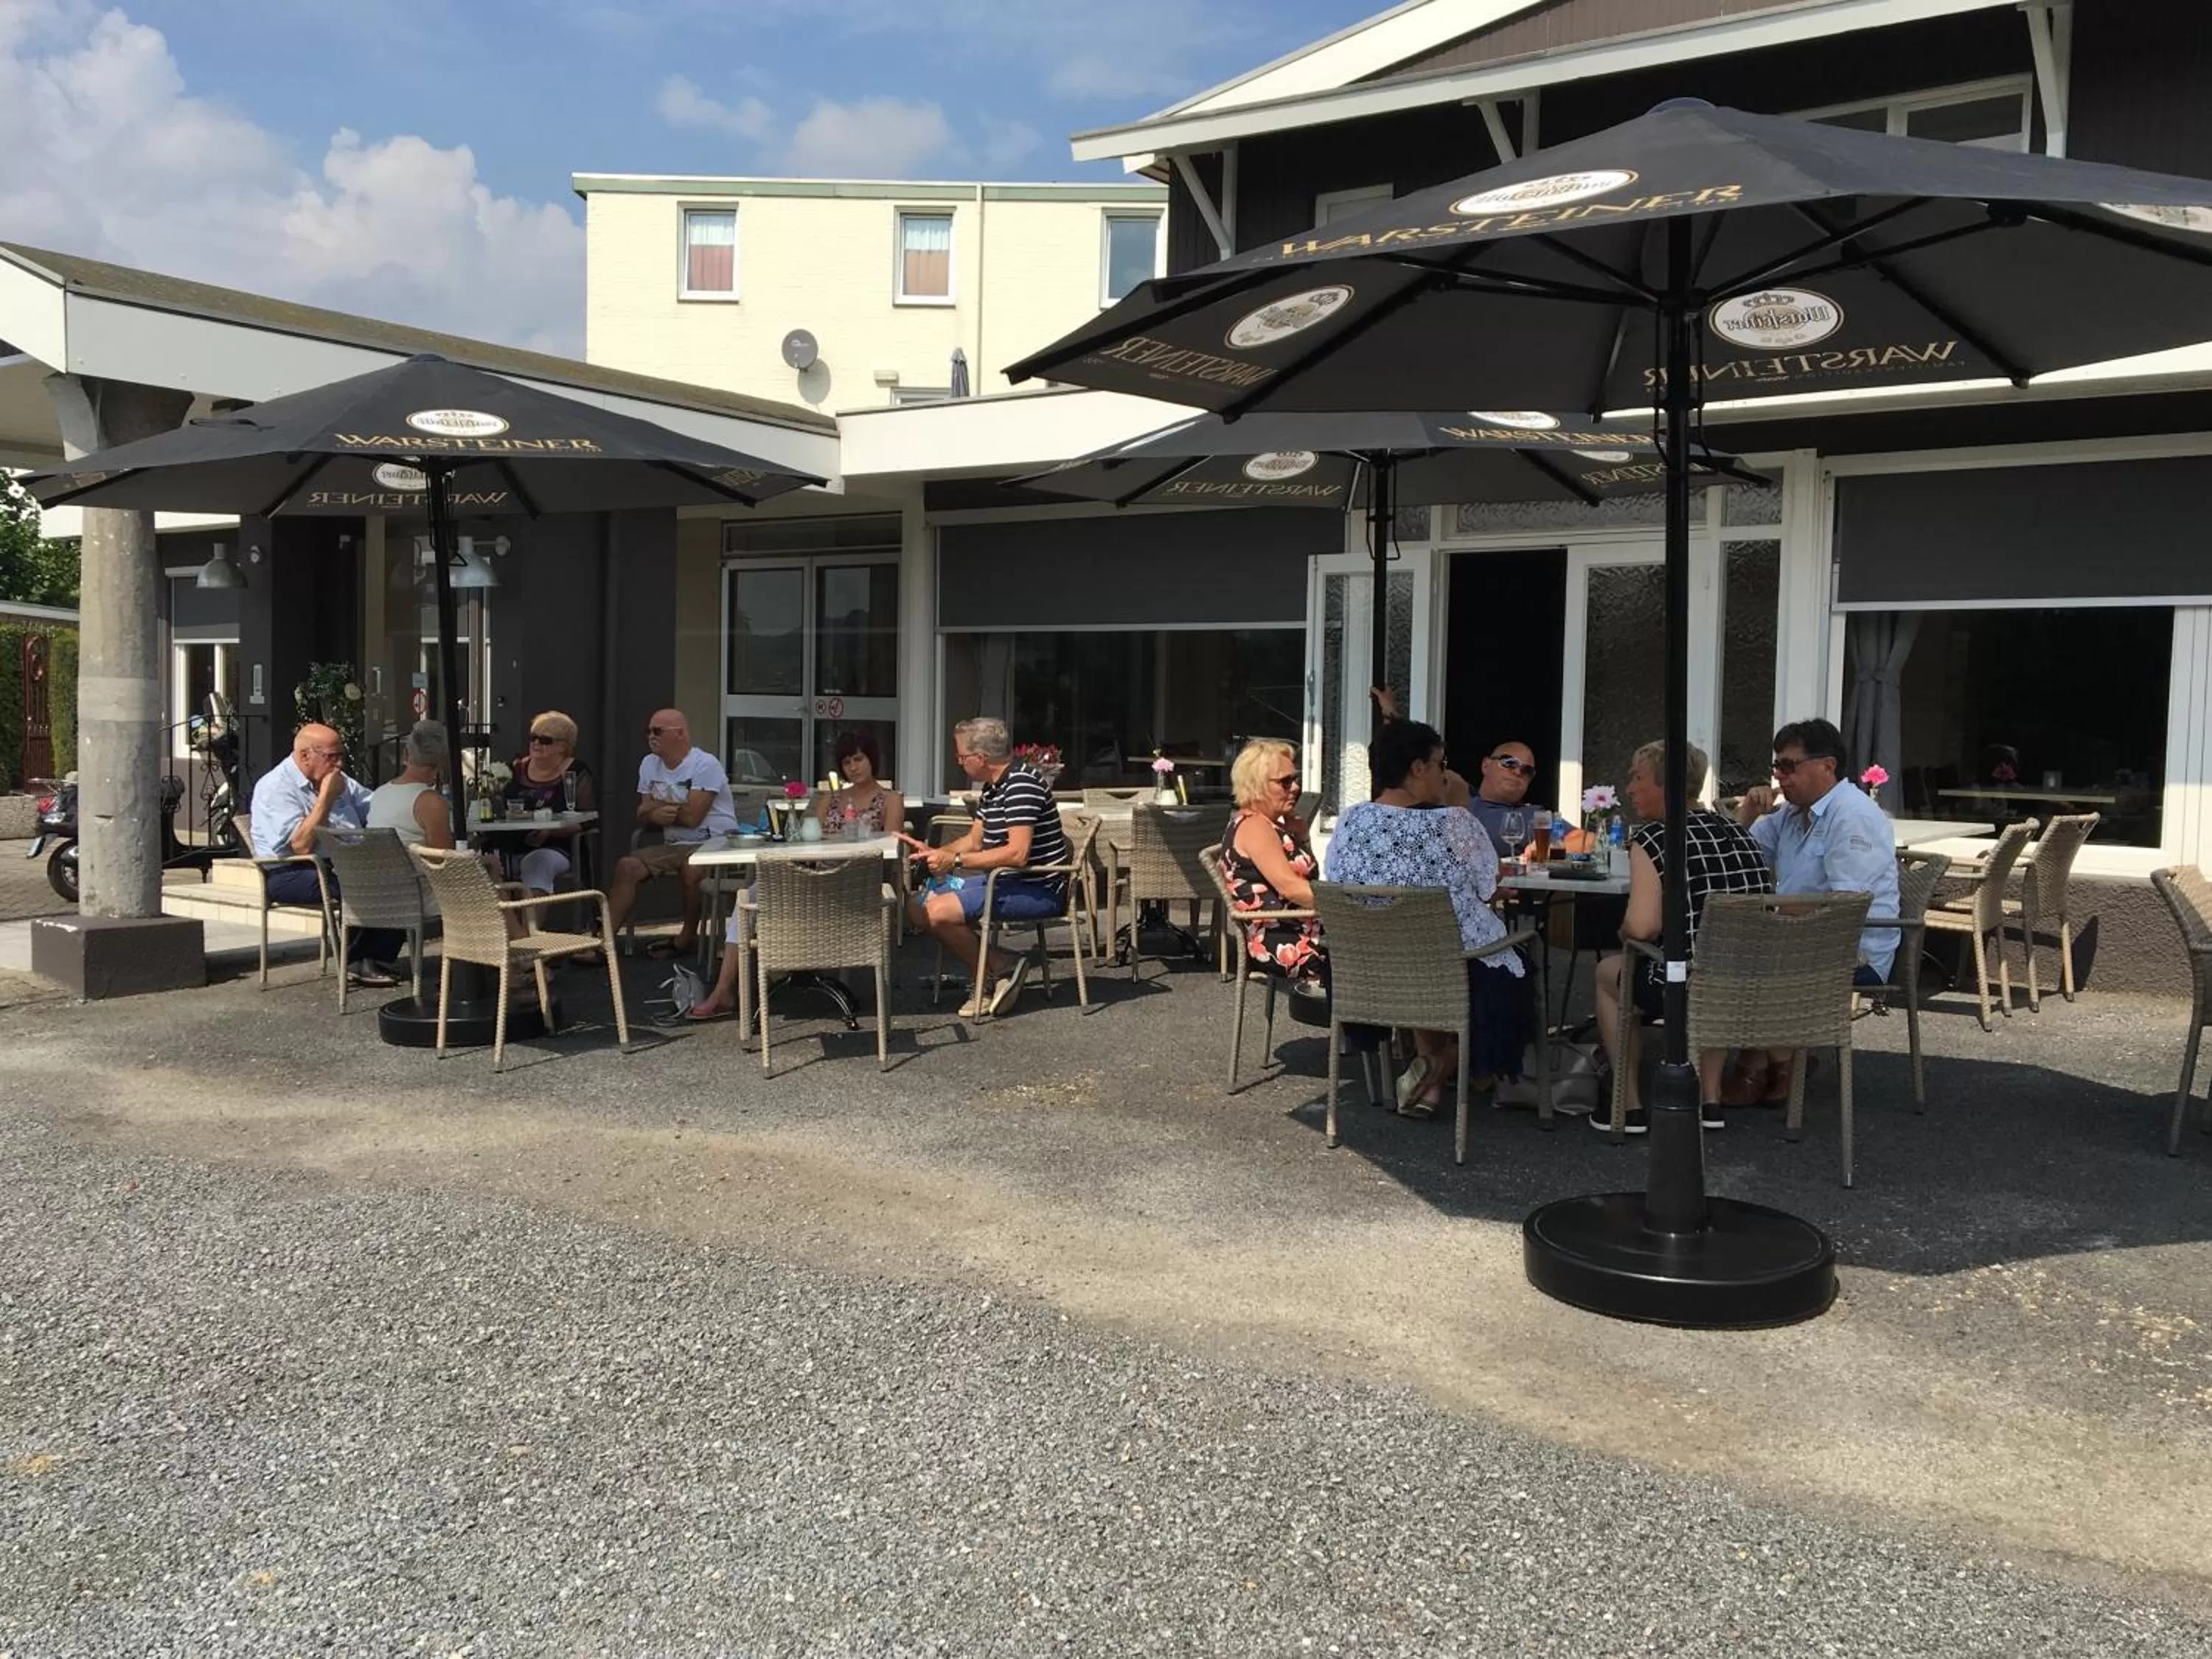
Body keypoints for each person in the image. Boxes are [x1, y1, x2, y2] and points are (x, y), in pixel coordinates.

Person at [1324, 719, 1529, 1117]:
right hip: (1447, 973)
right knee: (1503, 957)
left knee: (1422, 939)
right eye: (1440, 764)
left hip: (1366, 974)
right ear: (1418, 769)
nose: (1445, 773)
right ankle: (1440, 1066)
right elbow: (1489, 886)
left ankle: (1429, 1089)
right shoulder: (1454, 822)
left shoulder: (1349, 821)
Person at [1593, 738, 1773, 1135]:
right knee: (1714, 963)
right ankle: (1710, 1099)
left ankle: (1629, 1104)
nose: (1629, 788)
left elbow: (1642, 928)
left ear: (1666, 785)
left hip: (1687, 987)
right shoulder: (1741, 834)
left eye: (1637, 778)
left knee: (1609, 973)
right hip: (1747, 985)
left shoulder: (1656, 838)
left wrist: (1624, 932)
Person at [1733, 716, 1902, 1102]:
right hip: (1801, 938)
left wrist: (1770, 914)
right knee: (1729, 948)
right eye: (1776, 767)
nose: (1780, 778)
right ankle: (1779, 1060)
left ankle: (1765, 1064)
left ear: (1827, 765)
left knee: (1747, 954)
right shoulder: (1793, 812)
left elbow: (1847, 907)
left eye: (1789, 766)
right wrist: (1748, 815)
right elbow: (1740, 859)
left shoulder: (1852, 815)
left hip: (1856, 949)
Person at [908, 717, 1071, 1019]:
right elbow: (973, 839)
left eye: (961, 756)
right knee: (917, 905)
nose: (958, 762)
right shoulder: (993, 787)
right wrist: (938, 852)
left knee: (937, 912)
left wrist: (954, 862)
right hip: (1001, 881)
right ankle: (995, 967)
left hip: (1036, 888)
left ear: (980, 758)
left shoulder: (1022, 784)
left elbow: (1018, 853)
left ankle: (995, 972)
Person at [248, 722, 401, 985]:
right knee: (363, 883)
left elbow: (374, 806)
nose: (339, 764)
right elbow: (300, 845)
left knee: (400, 877)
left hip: (343, 862)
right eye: (332, 757)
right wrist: (326, 798)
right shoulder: (275, 788)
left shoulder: (340, 780)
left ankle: (371, 957)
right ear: (305, 755)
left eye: (342, 755)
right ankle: (356, 959)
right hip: (292, 870)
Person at [603, 708, 739, 957]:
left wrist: (656, 808)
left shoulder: (705, 764)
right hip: (675, 843)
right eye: (648, 731)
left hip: (715, 842)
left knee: (692, 867)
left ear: (680, 734)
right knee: (627, 866)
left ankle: (686, 937)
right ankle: (604, 944)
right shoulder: (649, 764)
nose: (650, 737)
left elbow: (693, 817)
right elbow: (642, 812)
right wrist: (656, 813)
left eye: (657, 731)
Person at [1220, 737, 1324, 983]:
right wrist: (1349, 905)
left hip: (1300, 926)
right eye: (1285, 782)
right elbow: (1291, 888)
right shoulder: (1255, 827)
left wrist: (1301, 837)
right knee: (1375, 954)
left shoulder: (1270, 824)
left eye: (1295, 779)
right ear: (1256, 785)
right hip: (1285, 939)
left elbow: (1305, 877)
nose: (1295, 787)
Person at [501, 709, 598, 896]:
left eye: (545, 740)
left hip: (557, 845)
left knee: (537, 863)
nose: (537, 743)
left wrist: (550, 831)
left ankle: (529, 925)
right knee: (484, 865)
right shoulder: (514, 768)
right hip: (511, 841)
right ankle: (502, 924)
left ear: (564, 746)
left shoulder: (576, 772)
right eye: (533, 738)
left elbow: (588, 819)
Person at [1461, 740, 1559, 860]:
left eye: (1527, 770)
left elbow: (1584, 840)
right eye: (1509, 763)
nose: (1518, 772)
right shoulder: (1458, 802)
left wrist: (1550, 847)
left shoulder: (1534, 816)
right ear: (1486, 766)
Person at [366, 720, 456, 850]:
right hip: (416, 870)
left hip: (377, 868)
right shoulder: (431, 802)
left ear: (406, 754)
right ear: (442, 760)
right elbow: (445, 860)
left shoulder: (379, 794)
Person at [815, 730, 903, 839]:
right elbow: (812, 840)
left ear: (872, 760)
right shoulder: (829, 801)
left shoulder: (891, 800)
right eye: (847, 763)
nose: (853, 768)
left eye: (858, 759)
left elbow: (891, 845)